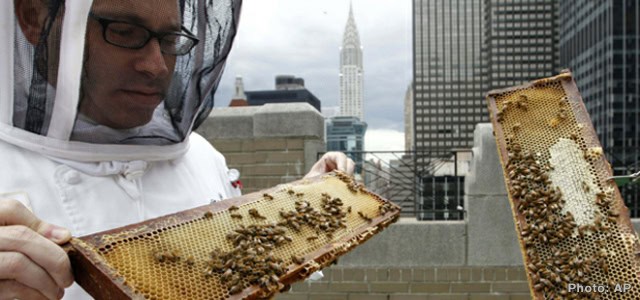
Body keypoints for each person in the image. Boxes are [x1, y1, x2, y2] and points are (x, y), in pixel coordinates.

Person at [1, 0, 355, 299]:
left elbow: (242, 257)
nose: (156, 66)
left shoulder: (201, 156)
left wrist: (305, 201)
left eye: (170, 40)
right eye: (125, 32)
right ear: (35, 18)